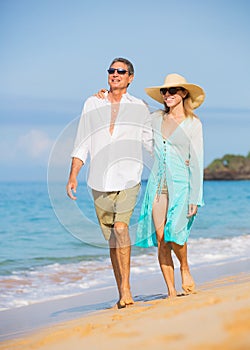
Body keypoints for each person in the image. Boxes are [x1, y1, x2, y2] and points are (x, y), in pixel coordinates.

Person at [66, 57, 152, 308]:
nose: (115, 74)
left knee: (122, 228)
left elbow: (148, 141)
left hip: (129, 177)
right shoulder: (92, 103)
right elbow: (82, 141)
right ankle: (121, 292)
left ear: (130, 77)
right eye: (111, 71)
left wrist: (166, 162)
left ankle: (127, 291)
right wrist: (73, 175)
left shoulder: (139, 107)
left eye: (121, 71)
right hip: (99, 180)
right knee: (113, 240)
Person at [135, 73, 205, 298]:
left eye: (172, 91)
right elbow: (134, 108)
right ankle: (171, 291)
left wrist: (195, 196)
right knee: (162, 238)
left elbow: (196, 161)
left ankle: (184, 267)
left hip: (182, 184)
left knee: (175, 233)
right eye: (165, 91)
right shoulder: (155, 118)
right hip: (157, 184)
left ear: (183, 93)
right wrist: (108, 94)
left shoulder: (193, 124)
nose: (167, 95)